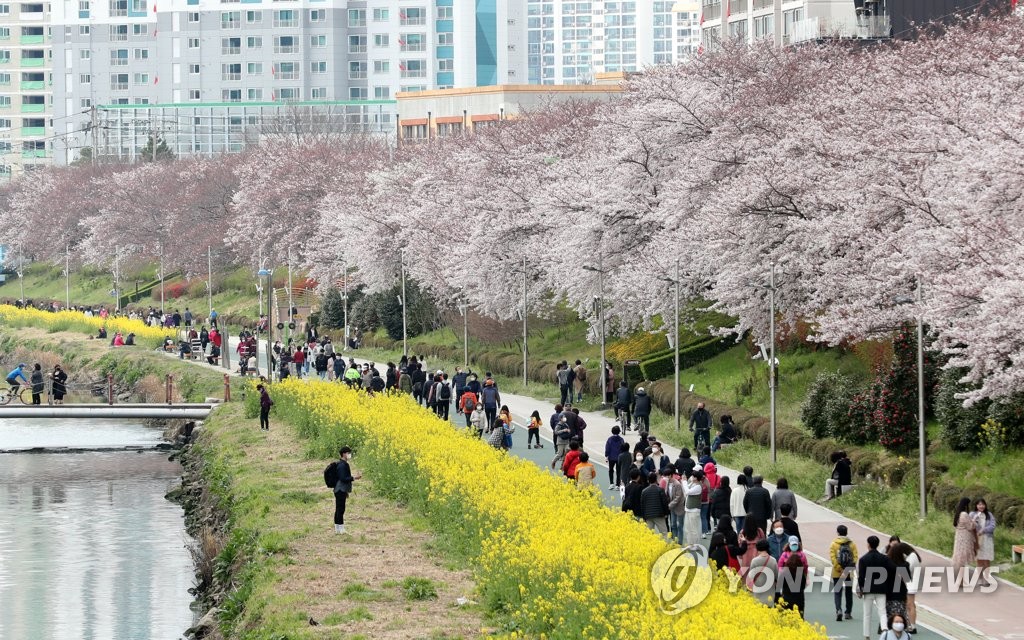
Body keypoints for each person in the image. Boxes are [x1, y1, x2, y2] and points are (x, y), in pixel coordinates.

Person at [858, 535, 894, 640]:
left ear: (868, 544)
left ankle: (867, 635)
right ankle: (885, 631)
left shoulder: (863, 559)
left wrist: (861, 588)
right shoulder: (884, 558)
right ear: (878, 545)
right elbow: (893, 569)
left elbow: (861, 577)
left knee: (867, 613)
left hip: (868, 589)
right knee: (882, 611)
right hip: (882, 588)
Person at [830, 524, 858, 622]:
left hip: (837, 573)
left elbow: (833, 558)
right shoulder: (852, 544)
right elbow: (855, 558)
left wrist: (839, 568)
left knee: (837, 592)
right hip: (848, 573)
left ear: (838, 532)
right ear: (847, 532)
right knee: (849, 592)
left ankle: (838, 610)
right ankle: (848, 613)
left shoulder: (834, 544)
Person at [332, 446, 360, 534]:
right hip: (340, 489)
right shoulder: (342, 465)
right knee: (341, 509)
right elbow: (343, 478)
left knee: (339, 508)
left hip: (340, 489)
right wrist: (354, 478)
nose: (349, 455)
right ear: (344, 454)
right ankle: (341, 529)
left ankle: (337, 528)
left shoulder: (341, 464)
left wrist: (346, 491)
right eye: (348, 453)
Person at [746, 539, 779, 606]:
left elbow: (751, 577)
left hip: (758, 593)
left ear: (757, 548)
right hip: (770, 594)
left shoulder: (754, 561)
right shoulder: (773, 560)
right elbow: (777, 576)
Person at [886, 540, 910, 626]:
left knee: (889, 615)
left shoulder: (887, 563)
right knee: (901, 613)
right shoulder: (905, 564)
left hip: (888, 593)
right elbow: (907, 579)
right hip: (900, 593)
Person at [778, 548, 808, 619]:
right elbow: (803, 586)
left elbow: (780, 585)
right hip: (799, 600)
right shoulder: (801, 573)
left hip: (786, 599)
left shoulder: (784, 573)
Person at [973, 498, 996, 586]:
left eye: (982, 504)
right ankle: (980, 579)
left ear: (985, 505)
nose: (981, 506)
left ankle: (986, 579)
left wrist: (984, 530)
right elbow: (971, 525)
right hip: (977, 539)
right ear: (976, 505)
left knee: (987, 559)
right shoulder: (973, 514)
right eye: (979, 504)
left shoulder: (989, 515)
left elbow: (993, 526)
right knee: (979, 559)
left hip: (987, 539)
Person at [951, 497, 978, 573]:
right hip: (964, 540)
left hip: (959, 539)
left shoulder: (958, 514)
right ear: (966, 505)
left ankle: (961, 581)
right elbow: (970, 526)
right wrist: (974, 520)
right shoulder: (964, 514)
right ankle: (961, 581)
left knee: (960, 561)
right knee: (962, 562)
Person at [682, 470, 704, 547]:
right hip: (688, 509)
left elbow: (687, 491)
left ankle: (696, 545)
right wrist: (684, 482)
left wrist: (684, 482)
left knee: (694, 529)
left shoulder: (698, 486)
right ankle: (690, 543)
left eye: (693, 476)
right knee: (688, 528)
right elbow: (685, 490)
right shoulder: (692, 483)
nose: (691, 477)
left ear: (696, 478)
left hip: (694, 510)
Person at [666, 467, 686, 545]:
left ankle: (680, 542)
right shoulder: (668, 483)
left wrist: (670, 505)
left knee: (679, 525)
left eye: (667, 476)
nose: (666, 477)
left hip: (679, 507)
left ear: (671, 475)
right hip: (672, 507)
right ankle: (675, 540)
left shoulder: (677, 484)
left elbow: (678, 497)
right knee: (673, 524)